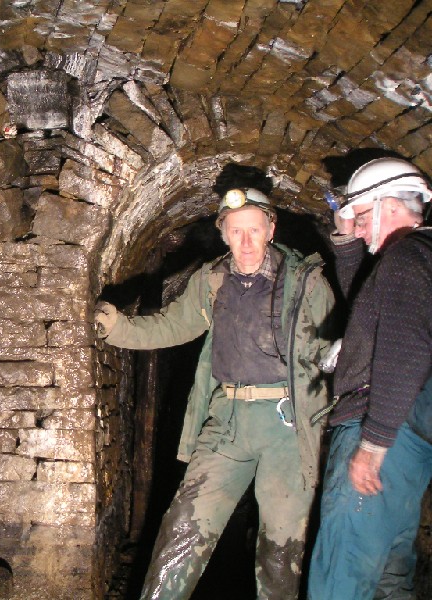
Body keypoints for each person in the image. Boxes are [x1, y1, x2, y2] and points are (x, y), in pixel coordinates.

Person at [95, 185, 335, 599]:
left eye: (254, 230)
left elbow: (333, 354)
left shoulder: (306, 284)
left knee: (279, 553)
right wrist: (119, 329)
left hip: (287, 425)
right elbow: (174, 324)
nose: (245, 242)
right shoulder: (211, 280)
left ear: (271, 230)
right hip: (227, 421)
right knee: (183, 529)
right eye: (236, 230)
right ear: (223, 232)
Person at [308, 157, 432, 600]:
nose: (358, 229)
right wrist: (344, 236)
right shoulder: (417, 258)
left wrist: (372, 445)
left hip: (380, 430)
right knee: (390, 576)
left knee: (342, 574)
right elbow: (368, 299)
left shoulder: (404, 259)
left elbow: (406, 349)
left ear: (388, 207)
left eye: (362, 218)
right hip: (411, 443)